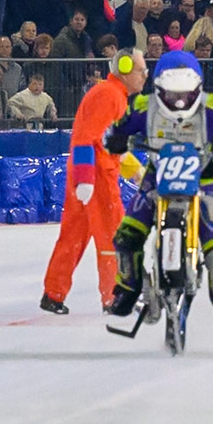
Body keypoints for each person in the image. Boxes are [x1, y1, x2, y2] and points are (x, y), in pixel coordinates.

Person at [101, 50, 213, 340]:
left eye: (186, 94)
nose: (180, 102)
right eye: (172, 95)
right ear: (159, 89)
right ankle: (129, 287)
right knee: (127, 235)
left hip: (203, 178)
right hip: (156, 176)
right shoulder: (140, 106)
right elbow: (110, 131)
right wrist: (116, 139)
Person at [39, 50, 149, 315]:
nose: (145, 76)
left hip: (88, 175)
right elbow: (85, 138)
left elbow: (112, 145)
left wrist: (137, 172)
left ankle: (54, 293)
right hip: (96, 178)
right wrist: (86, 180)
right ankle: (114, 296)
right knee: (114, 237)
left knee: (73, 236)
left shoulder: (114, 97)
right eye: (140, 70)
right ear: (124, 69)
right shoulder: (109, 96)